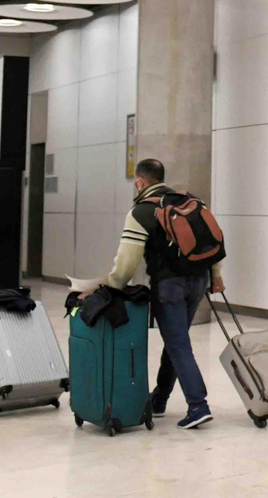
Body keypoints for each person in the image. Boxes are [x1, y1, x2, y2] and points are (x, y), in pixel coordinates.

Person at [94, 158, 224, 430]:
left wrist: (112, 286)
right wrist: (217, 276)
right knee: (176, 339)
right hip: (199, 281)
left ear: (140, 181)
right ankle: (160, 400)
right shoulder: (191, 202)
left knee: (177, 343)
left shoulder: (141, 212)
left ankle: (198, 406)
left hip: (169, 286)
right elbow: (212, 240)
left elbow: (127, 263)